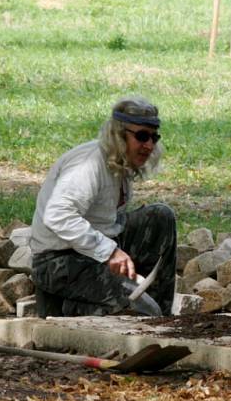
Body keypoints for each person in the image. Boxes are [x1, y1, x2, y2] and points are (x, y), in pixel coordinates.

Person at [30, 96, 176, 317]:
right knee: (142, 311)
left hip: (93, 247)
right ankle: (70, 310)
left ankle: (160, 316)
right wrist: (110, 252)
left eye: (154, 138)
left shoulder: (120, 163)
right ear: (118, 135)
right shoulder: (88, 164)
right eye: (142, 136)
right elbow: (58, 215)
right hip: (58, 261)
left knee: (160, 217)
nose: (149, 145)